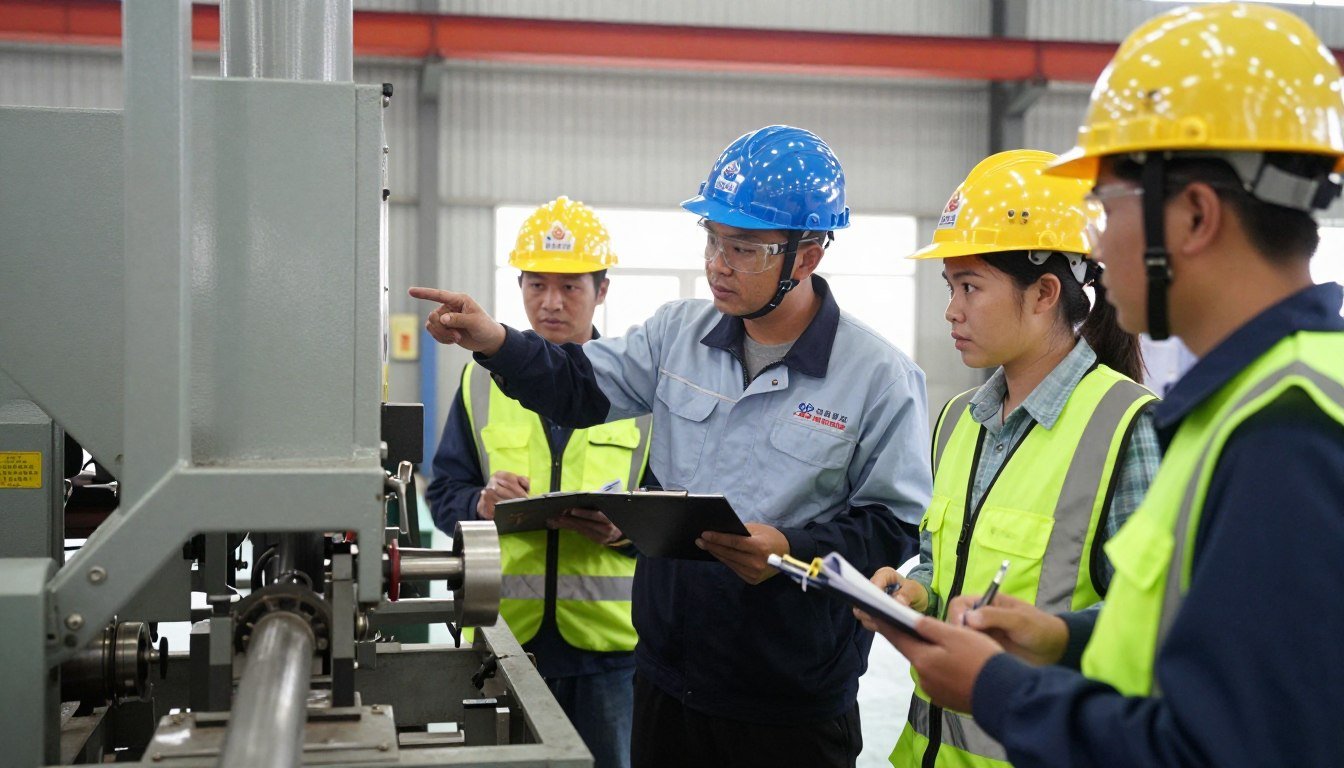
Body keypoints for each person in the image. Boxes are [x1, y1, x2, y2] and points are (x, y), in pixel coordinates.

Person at [859, 4, 1344, 766]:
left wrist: (999, 689)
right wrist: (1063, 637)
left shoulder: (1287, 430)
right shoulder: (1246, 405)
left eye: (1108, 205)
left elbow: (1226, 747)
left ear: (1194, 216)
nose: (1096, 241)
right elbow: (1181, 645)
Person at [413, 125, 930, 767]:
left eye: (743, 248)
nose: (718, 263)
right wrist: (496, 341)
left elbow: (894, 525)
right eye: (712, 239)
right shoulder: (676, 336)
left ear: (806, 257)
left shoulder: (878, 377)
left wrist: (790, 549)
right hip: (665, 681)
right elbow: (578, 386)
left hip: (788, 701)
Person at [873, 149, 1159, 767]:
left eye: (970, 287)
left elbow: (1151, 624)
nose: (952, 309)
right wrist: (916, 591)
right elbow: (943, 562)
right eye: (950, 286)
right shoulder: (957, 421)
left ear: (1044, 293)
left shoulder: (1127, 426)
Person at [423, 196, 651, 768]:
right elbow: (443, 492)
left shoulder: (642, 392)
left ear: (602, 290)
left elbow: (676, 509)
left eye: (570, 286)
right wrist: (481, 503)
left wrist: (625, 529)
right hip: (502, 641)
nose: (551, 302)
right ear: (519, 286)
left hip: (610, 652)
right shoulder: (481, 384)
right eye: (537, 284)